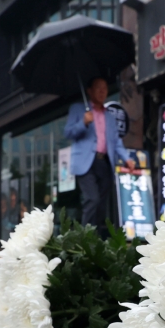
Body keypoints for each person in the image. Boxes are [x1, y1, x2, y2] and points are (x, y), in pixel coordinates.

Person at [63, 77, 133, 233]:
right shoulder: (78, 109)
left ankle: (97, 237)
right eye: (98, 88)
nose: (102, 91)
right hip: (85, 162)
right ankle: (84, 236)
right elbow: (68, 132)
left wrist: (126, 158)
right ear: (89, 91)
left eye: (105, 88)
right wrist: (83, 122)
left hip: (104, 162)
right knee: (92, 199)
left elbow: (116, 141)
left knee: (101, 204)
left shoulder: (109, 116)